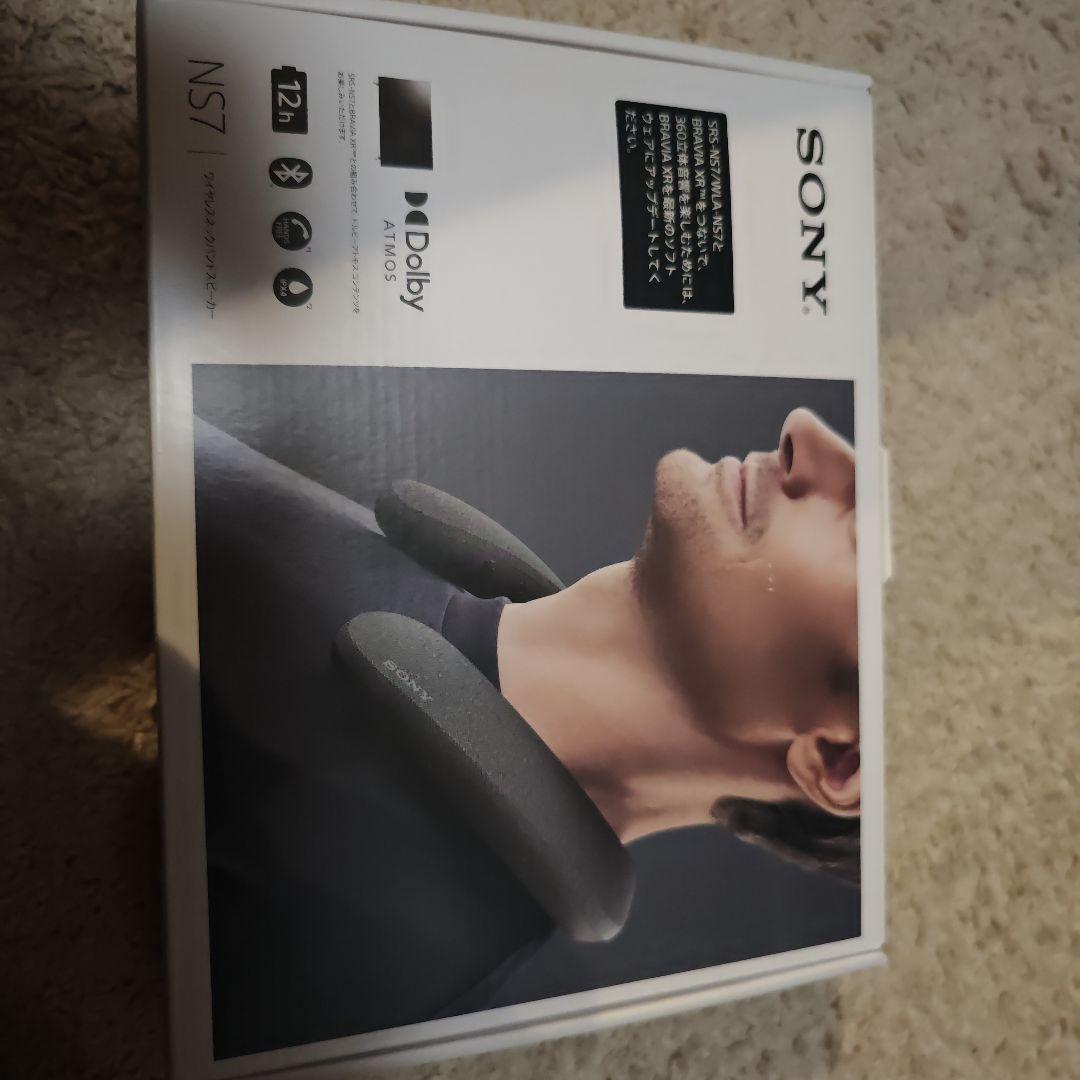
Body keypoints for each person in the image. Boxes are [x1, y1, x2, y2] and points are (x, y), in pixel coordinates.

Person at [191, 406, 859, 1059]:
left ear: (839, 759)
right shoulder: (400, 583)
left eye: (863, 533)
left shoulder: (383, 938)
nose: (805, 431)